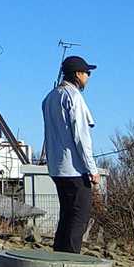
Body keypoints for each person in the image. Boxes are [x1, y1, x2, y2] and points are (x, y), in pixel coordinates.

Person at [41, 55, 100, 254]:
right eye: (87, 73)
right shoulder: (73, 96)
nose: (88, 77)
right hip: (74, 167)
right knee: (79, 216)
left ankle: (58, 257)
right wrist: (92, 168)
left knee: (66, 215)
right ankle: (71, 260)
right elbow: (81, 135)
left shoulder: (49, 97)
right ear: (78, 74)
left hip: (56, 167)